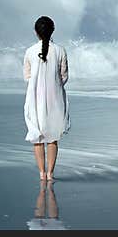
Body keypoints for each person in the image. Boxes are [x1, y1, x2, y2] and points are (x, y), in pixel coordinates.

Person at [23, 16, 70, 182]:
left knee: (37, 135)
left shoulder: (29, 51)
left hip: (35, 97)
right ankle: (50, 173)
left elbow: (27, 77)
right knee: (53, 136)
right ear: (52, 30)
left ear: (36, 32)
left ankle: (42, 173)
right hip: (55, 97)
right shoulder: (60, 50)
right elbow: (64, 76)